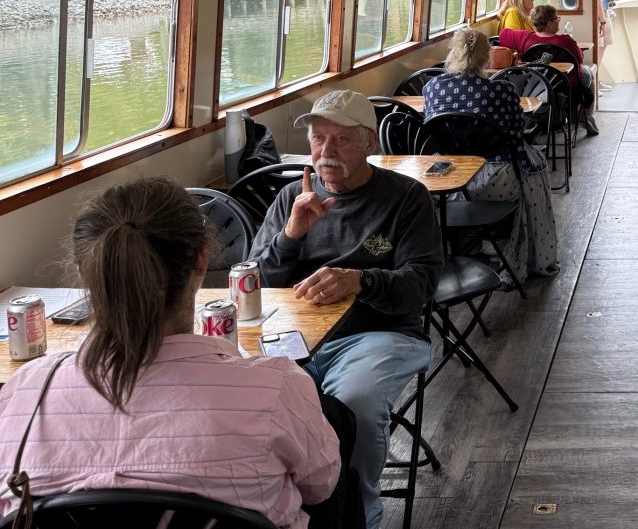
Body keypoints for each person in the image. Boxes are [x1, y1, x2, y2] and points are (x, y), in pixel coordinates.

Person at [0, 178, 344, 529]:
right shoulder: (275, 389)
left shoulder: (24, 394)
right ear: (201, 260)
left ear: (87, 273)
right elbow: (321, 485)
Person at [250, 90, 444, 529]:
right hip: (293, 336)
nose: (326, 152)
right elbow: (254, 285)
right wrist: (291, 236)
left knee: (352, 404)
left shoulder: (406, 198)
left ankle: (359, 517)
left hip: (380, 333)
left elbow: (422, 286)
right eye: (319, 139)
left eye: (341, 140)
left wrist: (362, 280)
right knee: (253, 402)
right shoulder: (290, 200)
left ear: (369, 144)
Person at [423, 29, 561, 281]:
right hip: (496, 181)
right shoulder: (501, 91)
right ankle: (531, 255)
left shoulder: (432, 88)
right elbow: (518, 128)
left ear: (453, 53)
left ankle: (465, 248)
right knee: (536, 165)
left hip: (447, 182)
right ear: (487, 57)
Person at [499, 3, 598, 135]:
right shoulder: (565, 41)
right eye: (557, 19)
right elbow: (579, 59)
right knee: (589, 71)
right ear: (550, 23)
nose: (558, 22)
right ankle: (586, 116)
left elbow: (503, 34)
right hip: (564, 87)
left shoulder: (525, 38)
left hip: (535, 87)